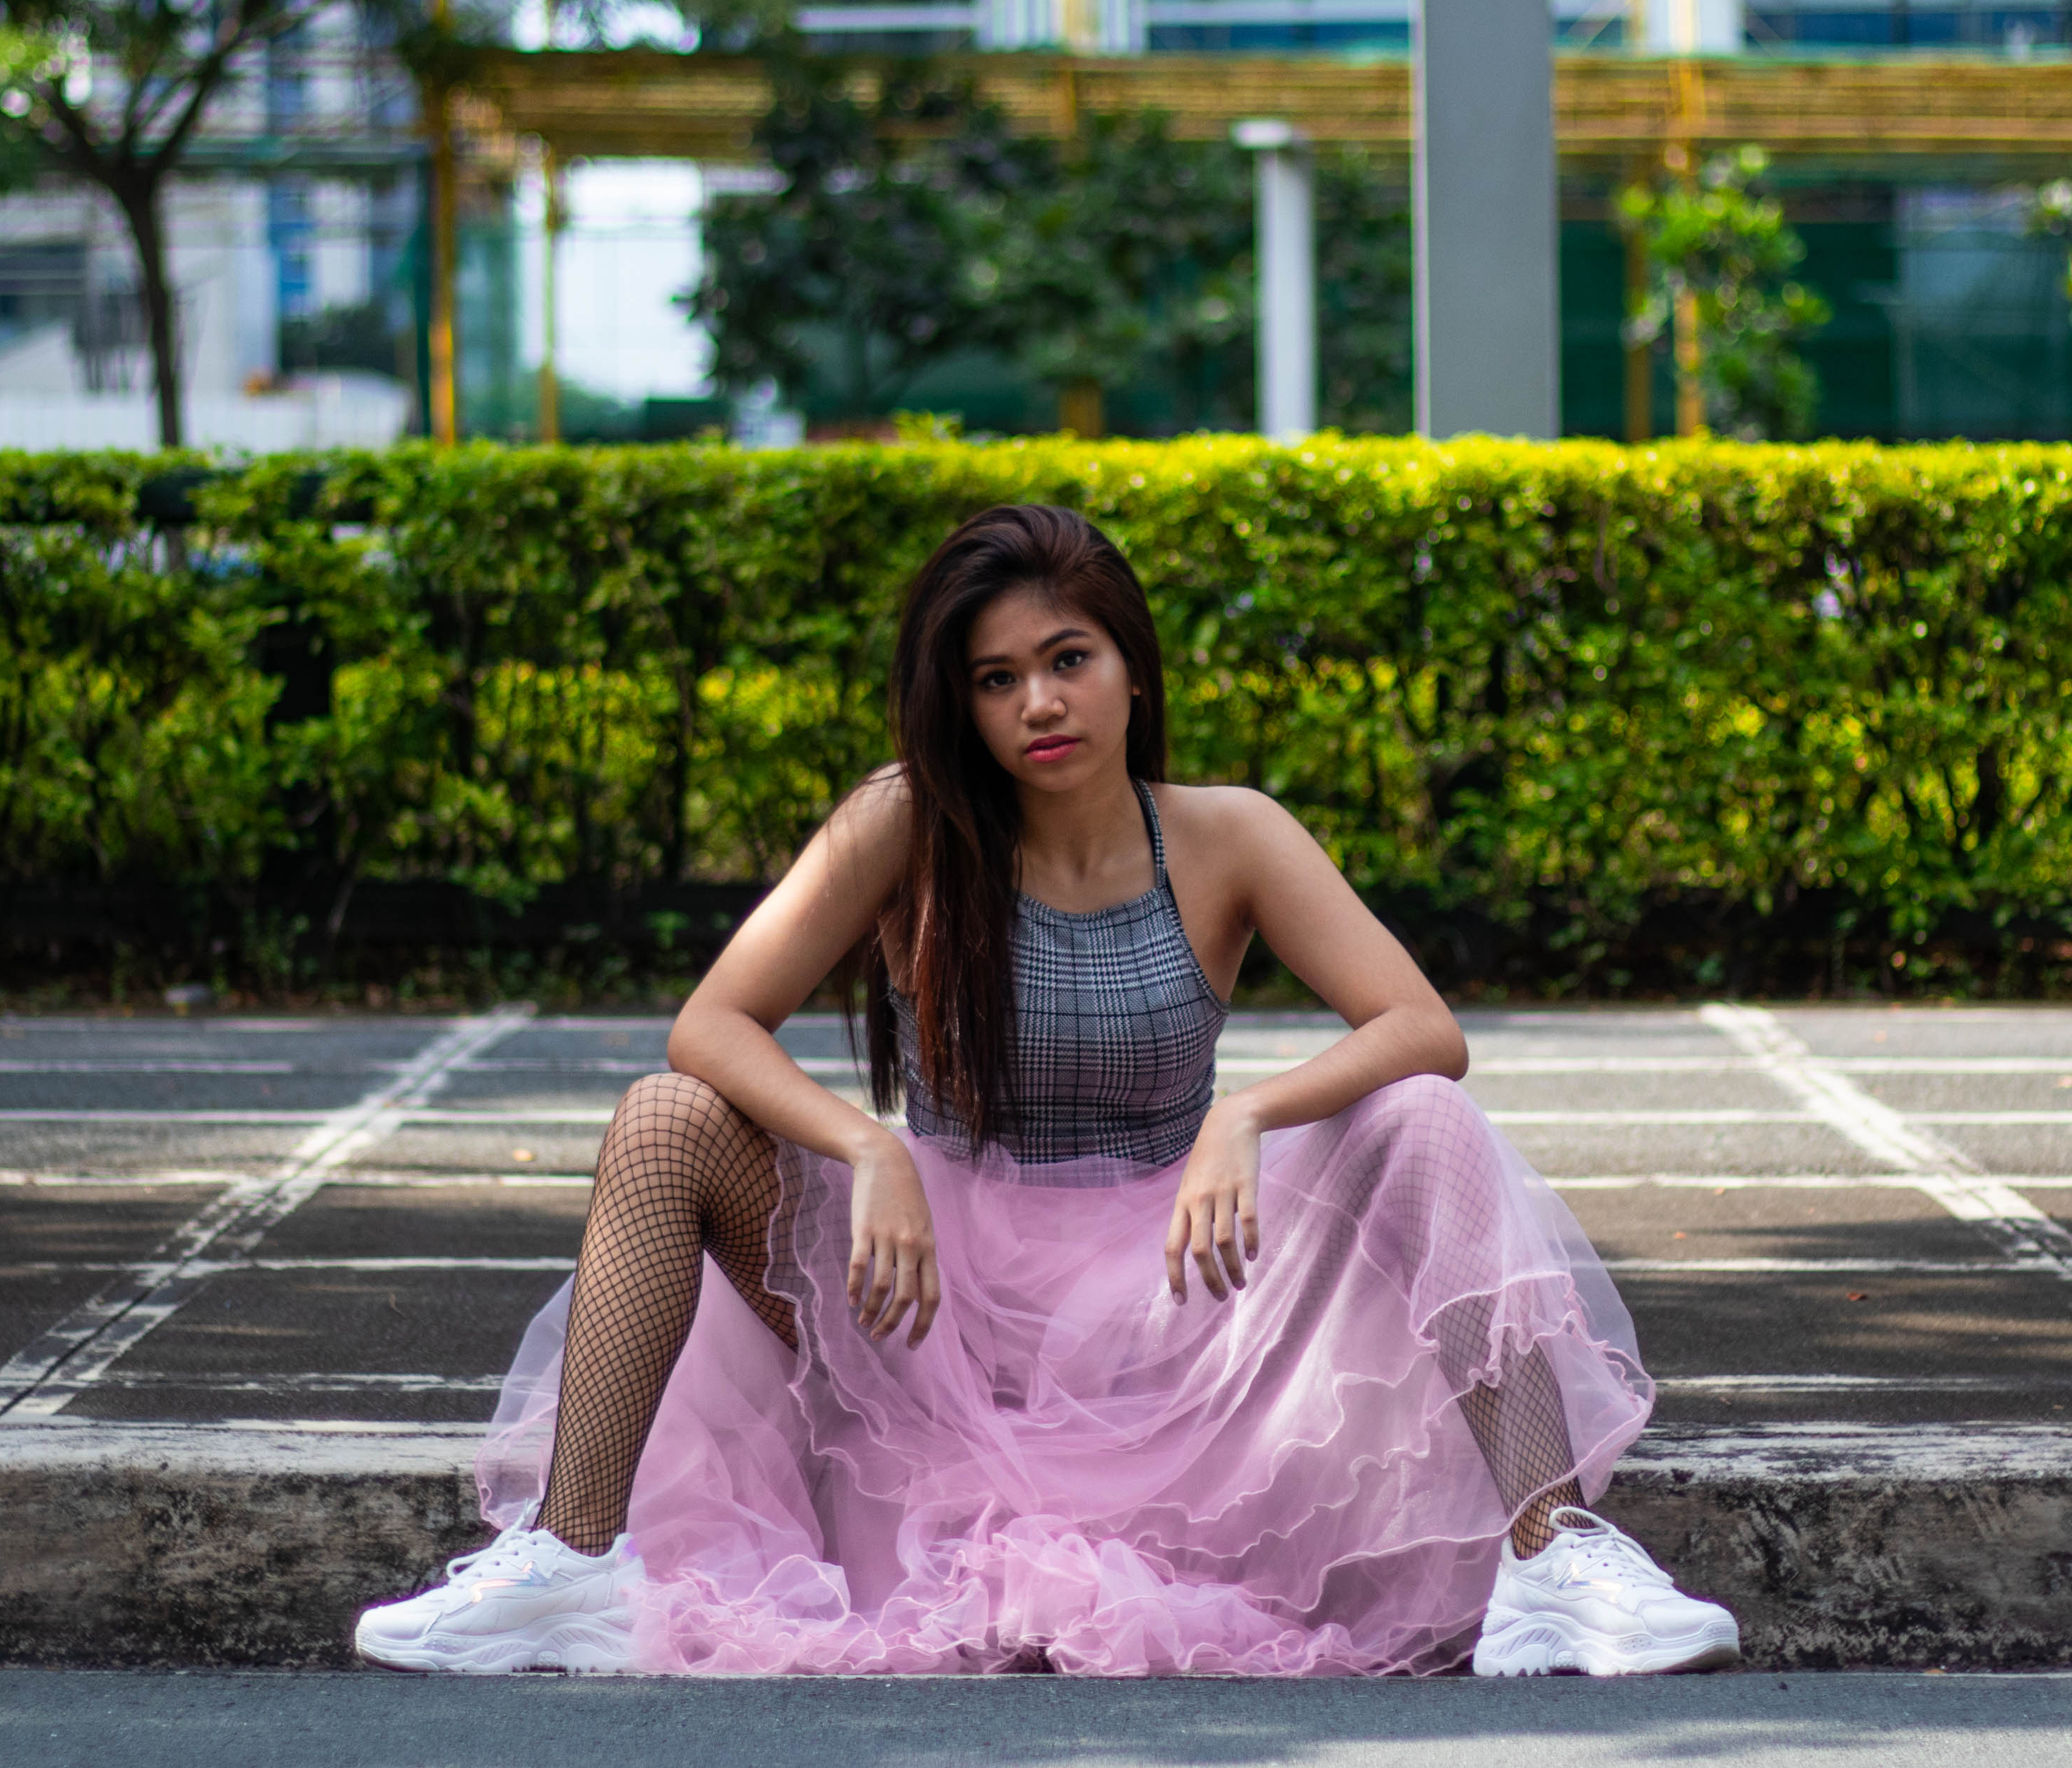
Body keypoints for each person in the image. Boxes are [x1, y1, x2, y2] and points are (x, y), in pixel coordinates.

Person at [355, 504, 1737, 1678]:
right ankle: (567, 1564)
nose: (1038, 705)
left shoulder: (1227, 835)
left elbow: (1420, 1027)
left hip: (1171, 1311)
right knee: (668, 1121)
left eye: (1066, 661)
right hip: (932, 1302)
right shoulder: (904, 822)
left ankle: (1552, 1563)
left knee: (1424, 1122)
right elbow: (710, 1023)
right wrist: (867, 1148)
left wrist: (1244, 1114)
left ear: (1130, 669)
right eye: (996, 677)